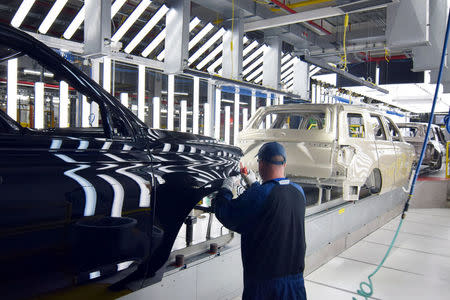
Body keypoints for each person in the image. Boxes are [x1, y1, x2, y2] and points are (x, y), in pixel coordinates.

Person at [214, 142, 307, 300]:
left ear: (261, 163)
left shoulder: (259, 195)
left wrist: (226, 188)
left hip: (265, 287)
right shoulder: (298, 191)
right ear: (284, 163)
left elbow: (225, 213)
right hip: (296, 283)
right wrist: (254, 184)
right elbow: (273, 208)